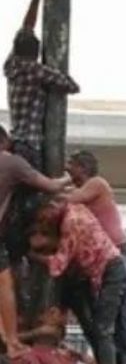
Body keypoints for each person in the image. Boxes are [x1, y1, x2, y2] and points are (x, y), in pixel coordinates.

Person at [27, 198, 126, 364]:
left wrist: (34, 255)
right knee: (96, 328)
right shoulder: (76, 208)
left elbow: (59, 263)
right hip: (99, 272)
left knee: (103, 329)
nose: (45, 223)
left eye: (44, 219)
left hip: (110, 270)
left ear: (53, 208)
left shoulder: (71, 222)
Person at [63, 150, 126, 364]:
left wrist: (51, 185)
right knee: (108, 319)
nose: (68, 169)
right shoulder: (87, 188)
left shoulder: (97, 184)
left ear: (83, 168)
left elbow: (70, 199)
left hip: (119, 254)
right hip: (106, 259)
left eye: (72, 165)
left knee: (121, 316)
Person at [0, 127, 70, 355]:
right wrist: (70, 176)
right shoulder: (12, 163)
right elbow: (51, 186)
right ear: (5, 142)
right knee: (4, 284)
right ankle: (11, 341)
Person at [5, 0, 80, 168]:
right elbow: (72, 86)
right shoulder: (37, 71)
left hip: (16, 141)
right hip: (31, 144)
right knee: (34, 190)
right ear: (37, 54)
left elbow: (27, 26)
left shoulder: (11, 66)